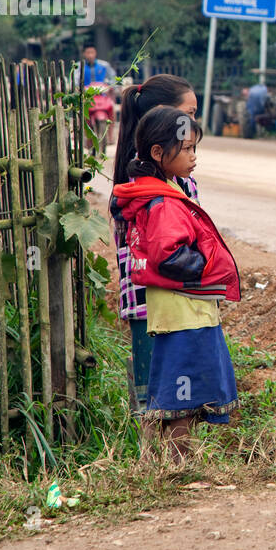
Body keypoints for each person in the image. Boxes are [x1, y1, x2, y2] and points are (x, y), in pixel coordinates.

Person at [111, 107, 239, 463]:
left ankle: (157, 463)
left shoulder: (159, 190)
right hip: (184, 309)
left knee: (171, 392)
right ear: (157, 153)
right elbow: (169, 256)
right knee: (183, 399)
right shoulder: (163, 201)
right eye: (187, 149)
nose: (194, 157)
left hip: (175, 308)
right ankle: (179, 466)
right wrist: (207, 267)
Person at [109, 74, 201, 419]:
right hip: (155, 296)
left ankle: (168, 456)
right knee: (158, 397)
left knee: (161, 390)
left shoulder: (167, 171)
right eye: (189, 113)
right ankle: (159, 459)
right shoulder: (147, 180)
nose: (194, 122)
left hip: (159, 296)